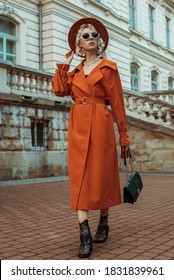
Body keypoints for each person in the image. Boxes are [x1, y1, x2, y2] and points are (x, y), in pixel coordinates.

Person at [52, 17, 131, 258]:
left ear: (100, 42)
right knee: (80, 178)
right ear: (78, 44)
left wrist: (124, 136)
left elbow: (117, 104)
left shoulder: (109, 68)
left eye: (95, 35)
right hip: (78, 125)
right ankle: (84, 234)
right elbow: (58, 90)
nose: (91, 39)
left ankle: (104, 221)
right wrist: (64, 65)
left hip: (101, 123)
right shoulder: (74, 72)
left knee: (102, 175)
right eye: (86, 36)